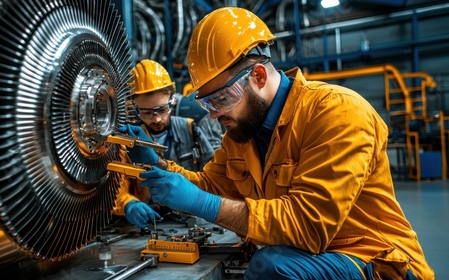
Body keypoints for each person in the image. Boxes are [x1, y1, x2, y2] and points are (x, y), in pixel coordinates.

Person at [118, 7, 434, 279]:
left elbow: (308, 226)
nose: (215, 115)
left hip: (373, 261)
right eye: (207, 104)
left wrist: (203, 205)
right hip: (307, 254)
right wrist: (158, 164)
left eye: (222, 99)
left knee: (273, 269)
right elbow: (208, 187)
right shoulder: (240, 136)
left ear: (258, 76)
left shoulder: (335, 112)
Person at [112, 59, 220, 229]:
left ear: (172, 99)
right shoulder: (129, 142)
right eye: (147, 112)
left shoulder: (190, 129)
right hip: (151, 222)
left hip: (193, 220)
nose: (156, 119)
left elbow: (215, 177)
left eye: (162, 110)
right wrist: (128, 204)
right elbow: (117, 187)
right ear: (134, 108)